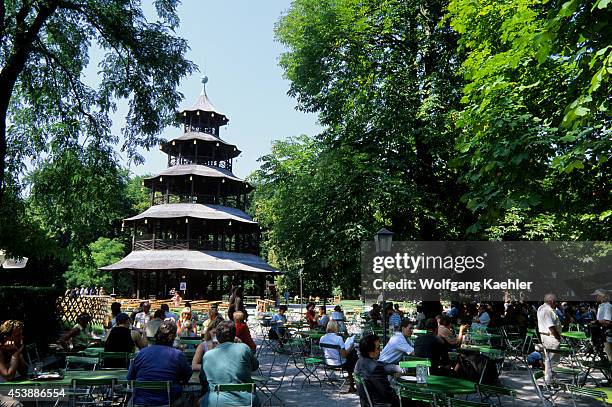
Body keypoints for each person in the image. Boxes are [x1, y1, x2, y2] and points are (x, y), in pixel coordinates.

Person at [127, 321, 192, 406]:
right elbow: (186, 377)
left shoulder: (141, 353)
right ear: (173, 338)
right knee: (189, 399)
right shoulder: (178, 355)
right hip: (169, 402)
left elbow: (130, 378)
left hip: (140, 402)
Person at [200, 321, 261, 406]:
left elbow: (203, 380)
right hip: (246, 402)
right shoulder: (244, 348)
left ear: (217, 337)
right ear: (234, 335)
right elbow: (255, 366)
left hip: (216, 402)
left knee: (201, 401)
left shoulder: (207, 355)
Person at [354, 334, 400, 407]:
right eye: (378, 348)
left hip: (367, 403)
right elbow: (388, 393)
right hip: (381, 404)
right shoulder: (375, 368)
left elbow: (381, 365)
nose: (380, 350)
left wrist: (395, 368)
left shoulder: (360, 361)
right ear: (370, 352)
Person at [319, 320, 357, 392]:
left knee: (352, 358)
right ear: (336, 327)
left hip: (327, 362)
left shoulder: (322, 338)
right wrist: (351, 346)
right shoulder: (338, 338)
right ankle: (352, 382)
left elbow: (322, 350)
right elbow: (344, 355)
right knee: (353, 356)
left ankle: (351, 381)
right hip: (339, 363)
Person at [0, 320, 27, 407]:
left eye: (21, 334)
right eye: (18, 335)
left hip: (7, 390)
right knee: (16, 404)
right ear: (6, 338)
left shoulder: (14, 348)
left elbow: (24, 371)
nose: (21, 337)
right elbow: (8, 376)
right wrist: (15, 355)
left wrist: (18, 354)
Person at [537, 293, 562, 383]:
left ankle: (549, 379)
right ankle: (550, 380)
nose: (556, 303)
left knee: (548, 359)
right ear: (551, 301)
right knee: (553, 360)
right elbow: (551, 326)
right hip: (551, 337)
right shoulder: (547, 310)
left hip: (545, 336)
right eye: (555, 302)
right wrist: (558, 337)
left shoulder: (541, 308)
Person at [593, 289, 612, 361]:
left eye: (598, 295)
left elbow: (608, 321)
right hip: (602, 333)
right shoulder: (601, 305)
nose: (596, 297)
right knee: (606, 353)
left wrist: (596, 322)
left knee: (610, 354)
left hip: (608, 333)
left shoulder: (608, 306)